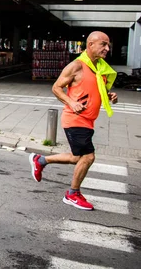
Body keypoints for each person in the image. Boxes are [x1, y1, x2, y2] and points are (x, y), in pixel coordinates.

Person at [29, 31, 117, 211]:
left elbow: (93, 89)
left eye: (108, 45)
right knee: (88, 156)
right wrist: (71, 102)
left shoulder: (99, 67)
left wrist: (109, 96)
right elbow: (56, 88)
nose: (107, 48)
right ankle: (72, 194)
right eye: (104, 44)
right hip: (75, 119)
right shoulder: (76, 66)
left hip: (88, 120)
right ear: (90, 44)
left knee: (77, 157)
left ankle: (40, 160)